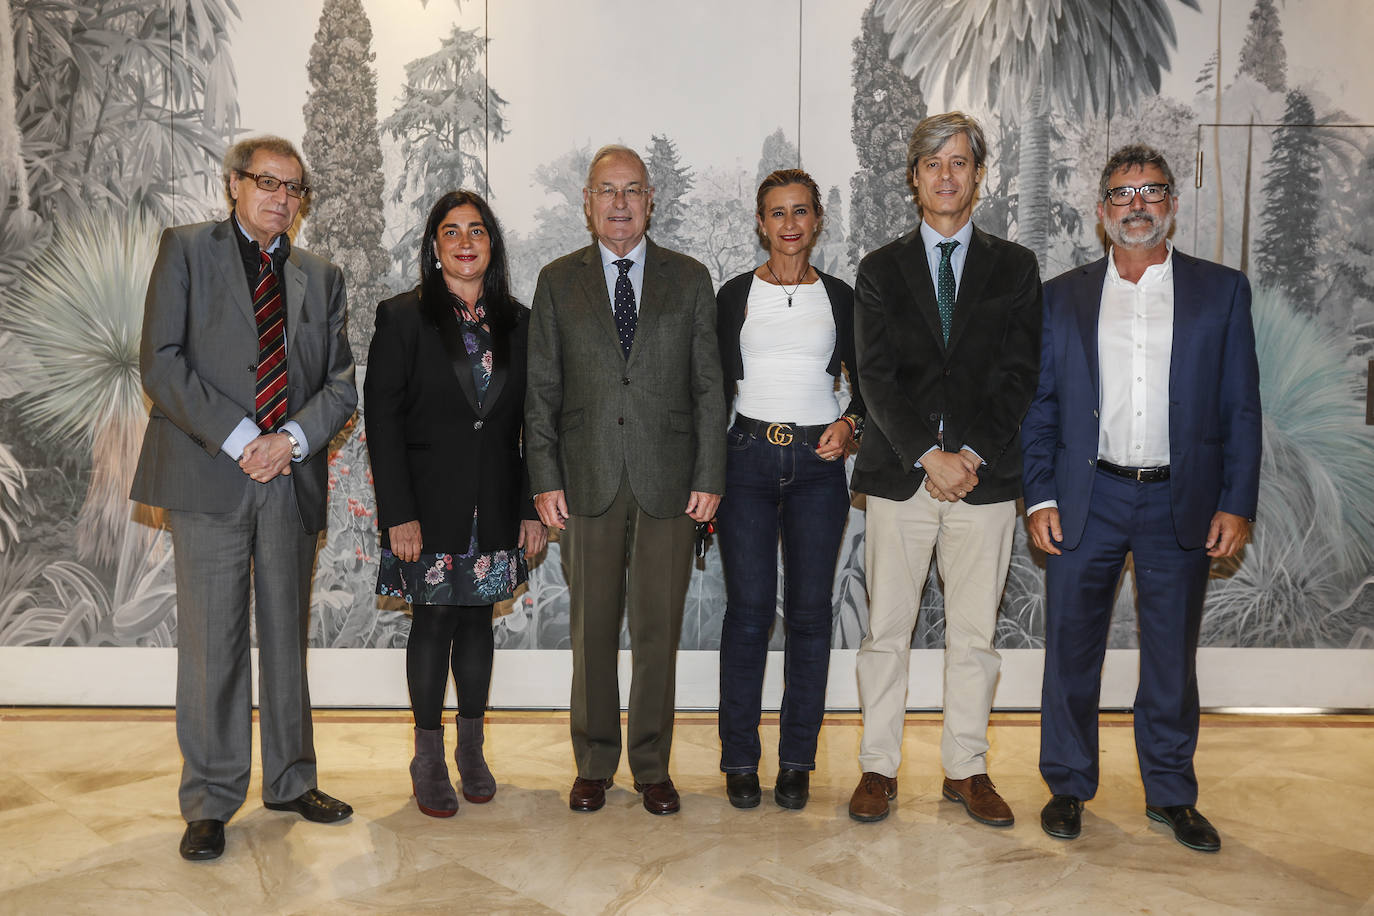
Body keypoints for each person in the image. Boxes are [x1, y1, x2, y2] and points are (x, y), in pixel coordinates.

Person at [1022, 145, 1261, 853]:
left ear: (1173, 206)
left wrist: (1236, 501)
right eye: (1123, 194)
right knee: (1071, 652)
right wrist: (1039, 498)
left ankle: (1171, 795)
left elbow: (1241, 408)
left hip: (1177, 503)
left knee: (1169, 658)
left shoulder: (1221, 292)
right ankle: (1067, 785)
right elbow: (1040, 408)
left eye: (1152, 190)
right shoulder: (1061, 295)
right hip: (1086, 496)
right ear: (1102, 212)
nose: (1138, 204)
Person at [130, 136, 358, 860]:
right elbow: (161, 363)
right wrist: (239, 439)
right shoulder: (187, 250)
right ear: (234, 185)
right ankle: (210, 798)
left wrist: (287, 440)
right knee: (212, 644)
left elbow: (340, 384)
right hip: (209, 475)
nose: (281, 198)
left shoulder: (321, 277)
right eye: (267, 182)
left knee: (287, 639)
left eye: (294, 189)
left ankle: (292, 778)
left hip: (288, 479)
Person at [847, 112, 1041, 826]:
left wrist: (970, 458)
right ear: (914, 178)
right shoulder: (878, 269)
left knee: (974, 638)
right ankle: (877, 767)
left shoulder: (1015, 269)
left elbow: (1019, 375)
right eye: (933, 165)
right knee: (886, 633)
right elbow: (874, 376)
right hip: (902, 477)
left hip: (984, 483)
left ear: (979, 176)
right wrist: (928, 457)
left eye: (960, 163)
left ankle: (966, 769)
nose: (947, 176)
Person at [525, 144, 726, 816]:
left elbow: (708, 386)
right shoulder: (557, 281)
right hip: (586, 480)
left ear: (650, 201)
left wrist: (710, 474)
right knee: (591, 631)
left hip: (670, 481)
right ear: (586, 203)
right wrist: (545, 475)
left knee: (657, 631)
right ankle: (593, 763)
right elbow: (542, 389)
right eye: (605, 191)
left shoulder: (690, 279)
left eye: (631, 190)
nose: (619, 203)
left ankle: (650, 765)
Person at [364, 190, 546, 818]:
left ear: (492, 245)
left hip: (495, 504)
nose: (465, 242)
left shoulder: (521, 323)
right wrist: (398, 515)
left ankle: (472, 750)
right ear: (434, 245)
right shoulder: (402, 317)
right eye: (451, 231)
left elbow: (534, 422)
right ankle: (428, 757)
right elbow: (382, 423)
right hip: (427, 508)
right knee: (434, 622)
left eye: (477, 231)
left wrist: (529, 506)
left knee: (476, 622)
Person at [713, 169, 865, 811]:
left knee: (808, 615)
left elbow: (869, 387)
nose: (790, 225)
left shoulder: (842, 297)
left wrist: (851, 426)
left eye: (801, 211)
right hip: (745, 460)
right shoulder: (734, 296)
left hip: (818, 468)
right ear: (761, 222)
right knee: (748, 615)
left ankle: (797, 760)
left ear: (817, 220)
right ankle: (740, 760)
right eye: (777, 213)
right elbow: (711, 386)